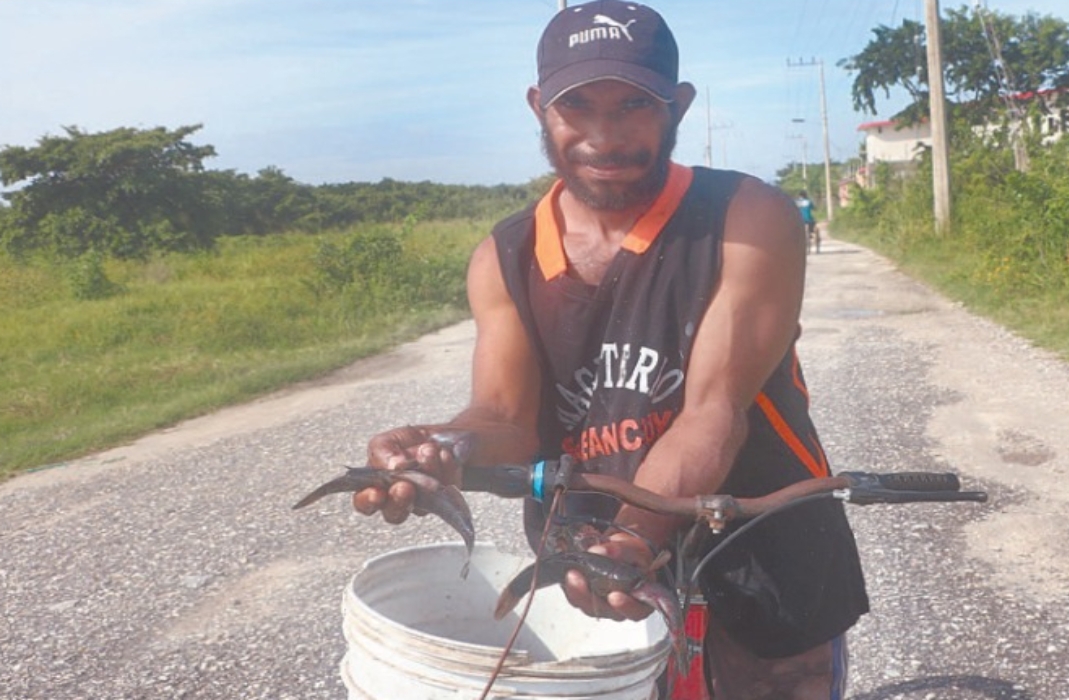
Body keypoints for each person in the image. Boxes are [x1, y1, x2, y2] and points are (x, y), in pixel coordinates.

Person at [351, 2, 868, 698]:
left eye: (634, 105)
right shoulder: (503, 256)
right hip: (586, 561)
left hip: (761, 542)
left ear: (678, 105)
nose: (603, 135)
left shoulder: (748, 219)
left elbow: (713, 411)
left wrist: (632, 537)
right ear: (539, 106)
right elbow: (506, 415)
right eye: (576, 107)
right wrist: (442, 448)